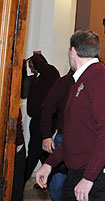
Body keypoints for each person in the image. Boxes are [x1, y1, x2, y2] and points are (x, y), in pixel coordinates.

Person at [35, 30, 105, 201]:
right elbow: (76, 135)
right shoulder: (80, 80)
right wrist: (49, 163)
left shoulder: (100, 78)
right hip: (78, 170)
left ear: (72, 51)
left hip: (92, 173)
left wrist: (89, 177)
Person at [24, 52, 60, 185]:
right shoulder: (36, 78)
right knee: (41, 152)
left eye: (32, 65)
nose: (32, 68)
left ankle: (18, 183)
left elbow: (40, 64)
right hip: (36, 120)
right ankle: (51, 179)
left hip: (45, 119)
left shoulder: (50, 72)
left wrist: (35, 55)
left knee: (33, 152)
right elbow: (23, 89)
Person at [40, 70, 75, 201]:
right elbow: (47, 108)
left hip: (84, 140)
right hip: (63, 136)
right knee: (58, 182)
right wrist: (46, 136)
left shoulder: (94, 82)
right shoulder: (64, 82)